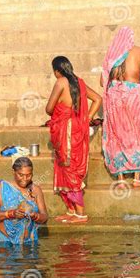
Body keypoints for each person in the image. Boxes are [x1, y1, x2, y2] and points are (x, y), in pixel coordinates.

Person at [46, 56, 102, 223]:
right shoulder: (80, 82)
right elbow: (98, 99)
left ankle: (80, 213)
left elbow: (49, 109)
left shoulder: (61, 82)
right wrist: (87, 118)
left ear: (57, 70)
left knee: (69, 168)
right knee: (67, 166)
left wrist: (62, 113)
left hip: (66, 131)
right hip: (77, 129)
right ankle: (70, 210)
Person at [100, 26, 140, 188]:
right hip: (134, 96)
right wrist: (138, 84)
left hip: (115, 96)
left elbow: (103, 82)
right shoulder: (139, 51)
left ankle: (121, 179)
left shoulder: (113, 53)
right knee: (136, 132)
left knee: (117, 134)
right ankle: (137, 177)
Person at [0, 157, 48, 244]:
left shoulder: (36, 190)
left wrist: (35, 216)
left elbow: (45, 217)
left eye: (29, 175)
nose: (25, 178)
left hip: (29, 242)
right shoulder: (2, 187)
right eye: (21, 175)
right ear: (13, 172)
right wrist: (11, 214)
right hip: (3, 242)